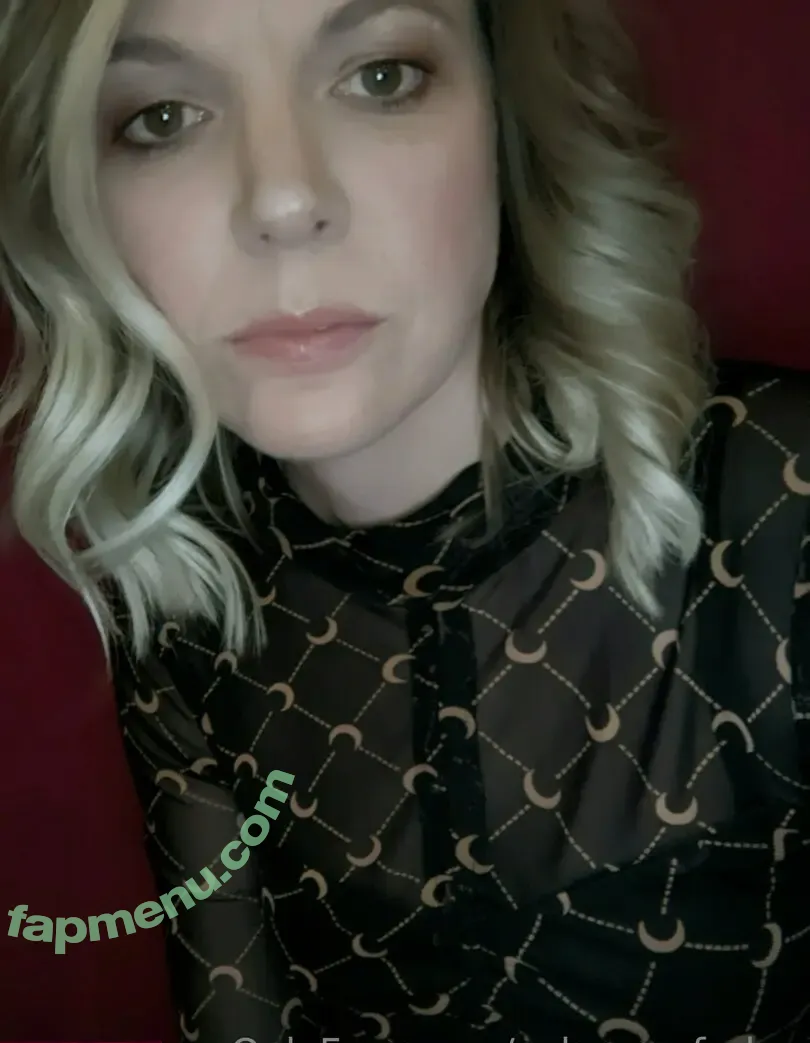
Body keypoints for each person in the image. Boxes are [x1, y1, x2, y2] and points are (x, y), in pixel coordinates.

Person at [1, 0, 808, 1039]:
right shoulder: (185, 588)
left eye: (381, 76)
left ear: (505, 117)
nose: (284, 199)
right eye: (161, 117)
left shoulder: (780, 512)